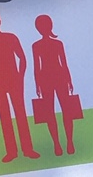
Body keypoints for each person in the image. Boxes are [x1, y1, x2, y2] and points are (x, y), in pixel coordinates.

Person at [0, 10, 39, 163]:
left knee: (20, 114)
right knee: (4, 116)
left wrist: (20, 77)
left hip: (14, 79)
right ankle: (11, 151)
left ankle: (27, 149)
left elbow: (22, 58)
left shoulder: (10, 38)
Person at [31, 15, 78, 156]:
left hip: (57, 77)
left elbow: (64, 63)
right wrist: (37, 84)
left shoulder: (57, 44)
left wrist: (69, 80)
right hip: (48, 79)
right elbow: (37, 67)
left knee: (64, 112)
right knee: (50, 113)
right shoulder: (37, 46)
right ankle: (57, 144)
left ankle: (68, 142)